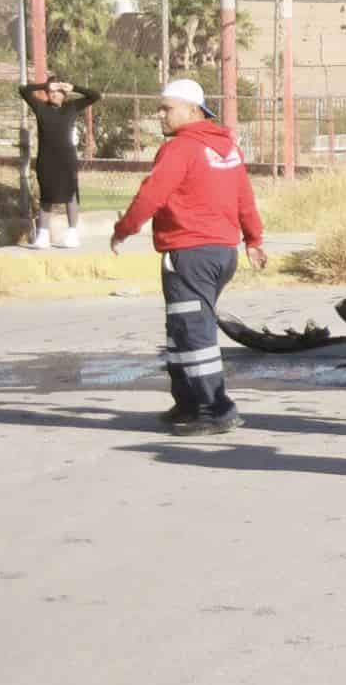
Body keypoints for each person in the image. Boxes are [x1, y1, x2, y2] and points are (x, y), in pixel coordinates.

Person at [108, 79, 266, 435]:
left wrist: (123, 229)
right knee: (181, 328)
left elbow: (152, 194)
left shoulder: (181, 148)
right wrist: (253, 238)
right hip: (221, 252)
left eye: (167, 108)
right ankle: (188, 401)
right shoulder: (226, 148)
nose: (160, 114)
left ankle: (216, 409)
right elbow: (244, 196)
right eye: (160, 108)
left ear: (193, 110)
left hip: (190, 252)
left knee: (194, 332)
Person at [19, 75, 101, 248]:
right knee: (46, 197)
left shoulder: (72, 107)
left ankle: (72, 234)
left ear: (64, 94)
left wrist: (74, 87)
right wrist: (45, 84)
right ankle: (43, 236)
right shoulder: (41, 107)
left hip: (67, 161)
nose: (53, 95)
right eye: (50, 92)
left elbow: (95, 95)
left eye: (57, 92)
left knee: (70, 196)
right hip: (46, 161)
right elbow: (23, 90)